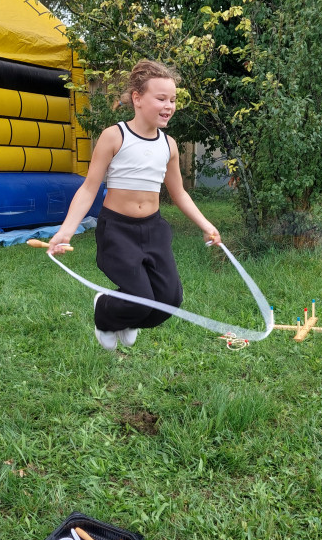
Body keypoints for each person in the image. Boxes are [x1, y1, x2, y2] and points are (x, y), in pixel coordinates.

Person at [47, 59, 221, 350]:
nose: (169, 106)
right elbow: (89, 188)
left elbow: (179, 193)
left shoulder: (169, 145)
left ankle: (126, 320)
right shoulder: (114, 136)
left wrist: (206, 225)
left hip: (153, 230)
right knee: (141, 298)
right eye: (161, 98)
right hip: (118, 230)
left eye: (173, 100)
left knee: (170, 299)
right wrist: (66, 231)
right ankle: (105, 312)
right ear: (137, 99)